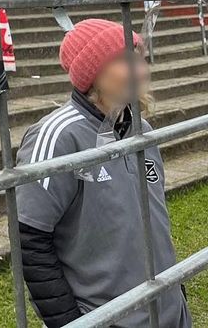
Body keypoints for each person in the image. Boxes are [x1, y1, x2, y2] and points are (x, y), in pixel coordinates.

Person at [16, 19, 190, 328]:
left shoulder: (142, 129)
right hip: (108, 318)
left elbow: (152, 222)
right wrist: (69, 322)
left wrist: (177, 290)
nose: (141, 69)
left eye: (140, 57)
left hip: (168, 311)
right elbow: (29, 237)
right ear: (92, 73)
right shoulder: (58, 136)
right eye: (125, 60)